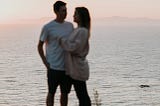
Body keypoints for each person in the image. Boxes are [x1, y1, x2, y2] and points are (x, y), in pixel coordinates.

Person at [37, 1, 73, 106]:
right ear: (56, 11)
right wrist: (45, 62)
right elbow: (39, 46)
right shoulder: (48, 27)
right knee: (51, 93)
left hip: (66, 68)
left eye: (66, 10)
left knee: (65, 94)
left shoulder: (70, 26)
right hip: (53, 67)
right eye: (63, 11)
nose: (65, 13)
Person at [57, 7, 91, 106]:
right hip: (71, 68)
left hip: (77, 68)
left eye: (76, 14)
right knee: (69, 93)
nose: (73, 16)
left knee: (82, 95)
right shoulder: (77, 30)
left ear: (81, 17)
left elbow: (75, 48)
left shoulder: (83, 31)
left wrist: (62, 41)